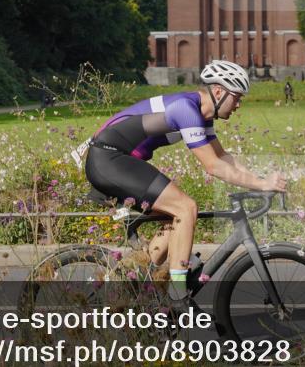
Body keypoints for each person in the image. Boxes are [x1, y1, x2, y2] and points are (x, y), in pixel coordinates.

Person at [81, 60, 287, 303]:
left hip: (115, 160)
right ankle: (177, 295)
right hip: (109, 159)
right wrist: (261, 185)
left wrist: (262, 180)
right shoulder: (185, 109)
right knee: (185, 207)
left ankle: (136, 280)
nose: (239, 105)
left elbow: (223, 157)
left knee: (175, 220)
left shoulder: (201, 113)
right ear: (219, 92)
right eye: (236, 97)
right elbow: (212, 166)